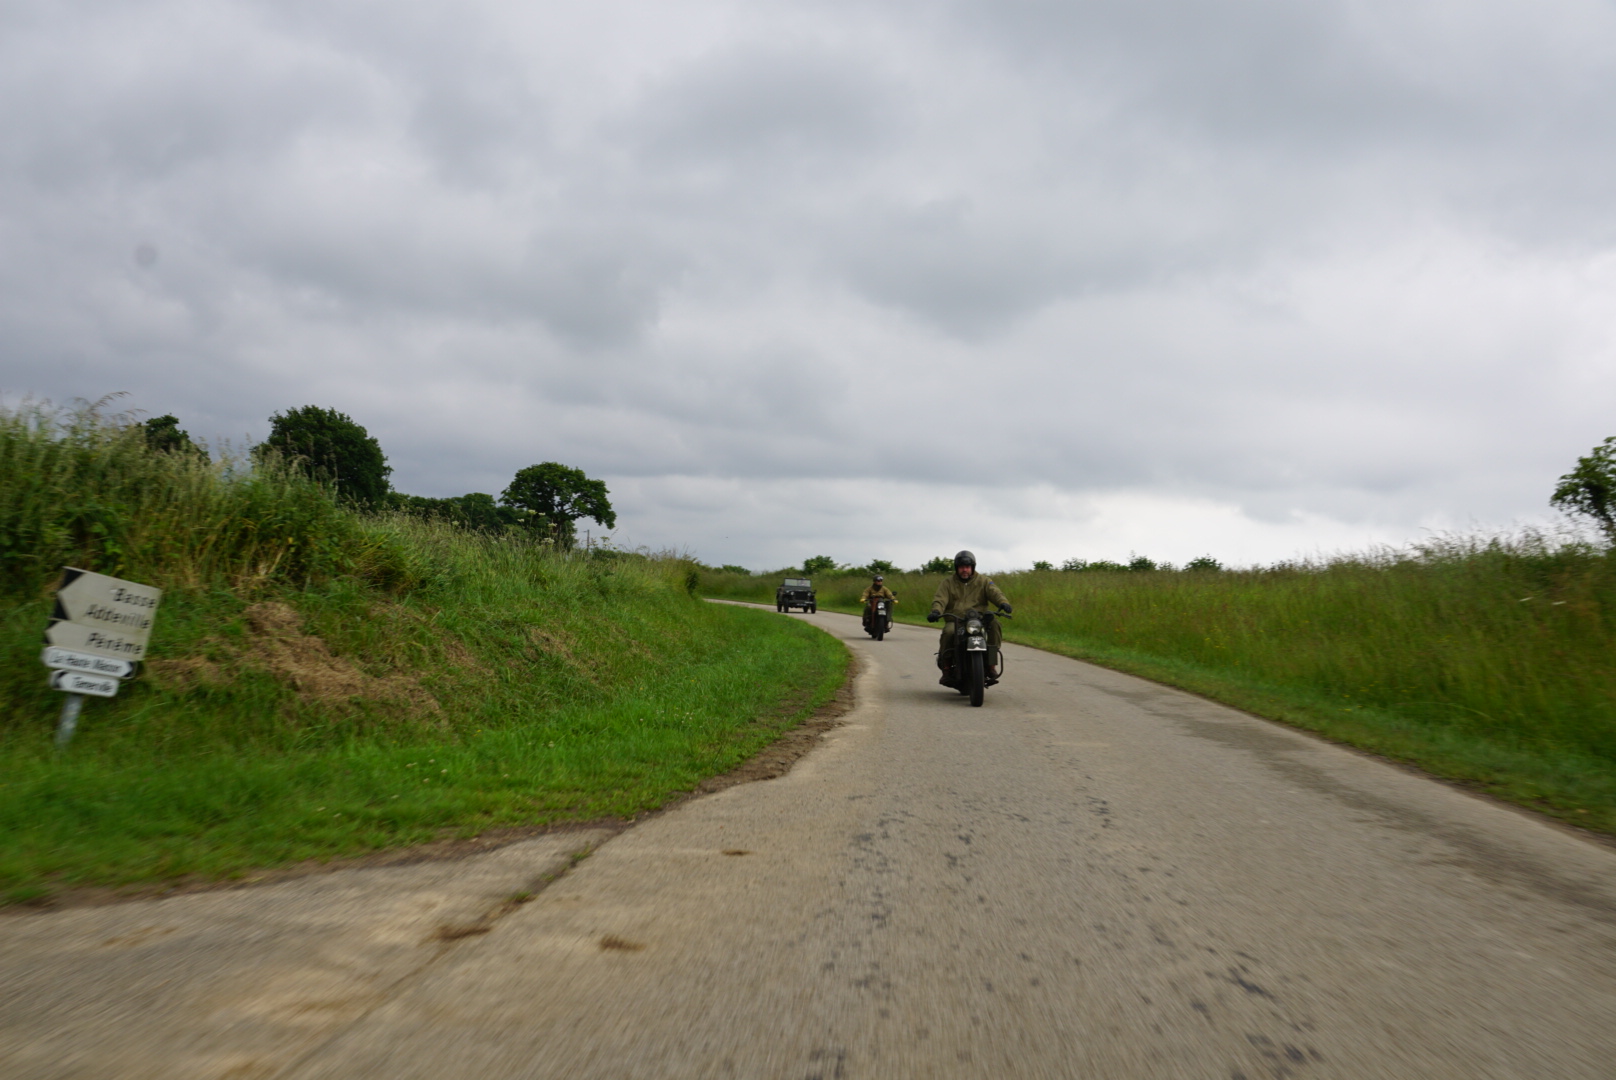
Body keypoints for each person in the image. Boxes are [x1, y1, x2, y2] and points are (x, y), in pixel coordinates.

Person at [926, 550, 1012, 684]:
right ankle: (946, 669)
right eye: (961, 567)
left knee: (995, 625)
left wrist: (1003, 603)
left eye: (967, 567)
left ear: (972, 567)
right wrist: (936, 611)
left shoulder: (984, 581)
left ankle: (991, 665)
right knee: (948, 632)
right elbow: (940, 599)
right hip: (956, 620)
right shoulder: (947, 583)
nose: (964, 570)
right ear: (957, 568)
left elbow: (995, 593)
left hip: (979, 619)